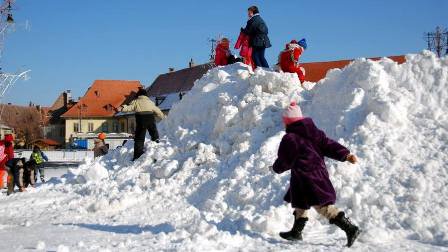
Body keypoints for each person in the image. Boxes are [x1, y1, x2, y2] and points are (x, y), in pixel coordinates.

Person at [272, 102, 361, 247]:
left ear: (288, 122)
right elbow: (329, 145)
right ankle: (296, 232)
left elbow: (285, 160)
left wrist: (276, 168)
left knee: (322, 206)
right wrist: (345, 155)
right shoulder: (313, 133)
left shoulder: (290, 139)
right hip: (312, 174)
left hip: (308, 177)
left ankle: (351, 228)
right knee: (300, 202)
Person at [117, 88, 165, 161]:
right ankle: (156, 146)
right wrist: (163, 117)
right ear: (146, 95)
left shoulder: (136, 101)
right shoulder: (150, 102)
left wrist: (122, 108)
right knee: (154, 133)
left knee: (139, 138)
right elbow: (158, 111)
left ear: (138, 95)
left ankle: (137, 155)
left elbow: (129, 107)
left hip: (141, 120)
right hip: (150, 119)